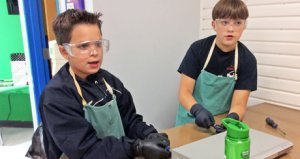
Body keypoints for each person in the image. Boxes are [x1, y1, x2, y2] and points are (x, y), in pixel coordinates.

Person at [39, 9, 171, 159]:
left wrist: (150, 135)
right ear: (64, 51)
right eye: (84, 46)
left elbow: (130, 120)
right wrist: (137, 148)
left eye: (98, 44)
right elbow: (85, 150)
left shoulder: (109, 82)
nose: (95, 52)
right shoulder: (57, 96)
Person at [175, 0, 257, 129]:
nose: (231, 29)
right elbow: (184, 92)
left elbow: (239, 104)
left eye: (238, 23)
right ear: (214, 24)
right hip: (190, 119)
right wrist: (197, 110)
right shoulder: (198, 49)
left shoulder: (247, 60)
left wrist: (231, 120)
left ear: (244, 26)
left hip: (220, 122)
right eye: (225, 22)